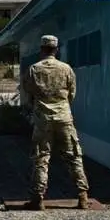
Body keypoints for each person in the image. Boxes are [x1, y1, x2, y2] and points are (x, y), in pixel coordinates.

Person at [21, 34, 90, 210]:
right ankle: (82, 196)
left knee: (41, 157)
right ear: (56, 49)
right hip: (64, 116)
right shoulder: (66, 69)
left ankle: (38, 198)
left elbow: (28, 94)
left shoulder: (34, 69)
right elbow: (72, 94)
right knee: (73, 156)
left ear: (42, 49)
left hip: (42, 118)